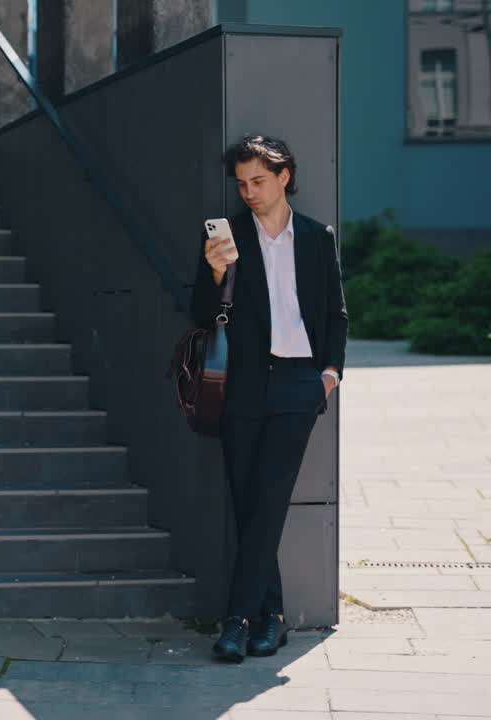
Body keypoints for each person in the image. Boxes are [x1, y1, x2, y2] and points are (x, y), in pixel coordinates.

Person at [192, 135, 348, 663]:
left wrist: (328, 374)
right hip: (240, 385)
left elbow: (336, 314)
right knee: (251, 506)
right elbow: (199, 312)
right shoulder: (229, 237)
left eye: (258, 180)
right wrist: (216, 273)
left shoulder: (315, 237)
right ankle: (273, 618)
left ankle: (235, 622)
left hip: (297, 386)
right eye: (241, 182)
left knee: (270, 501)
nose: (249, 191)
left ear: (284, 177)